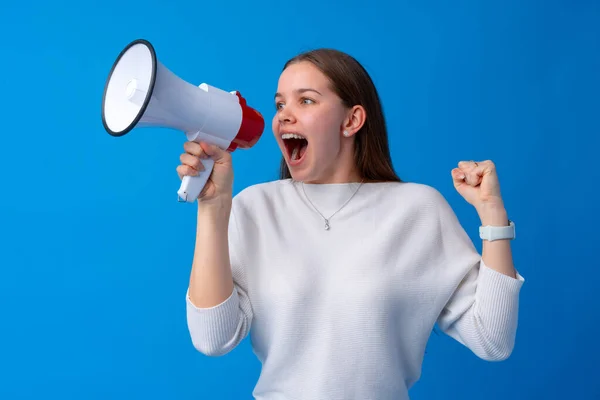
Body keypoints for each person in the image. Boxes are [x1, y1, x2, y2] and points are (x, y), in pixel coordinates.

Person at [177, 48, 525, 400]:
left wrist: (492, 213)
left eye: (306, 101)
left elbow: (492, 339)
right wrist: (213, 206)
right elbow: (212, 338)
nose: (284, 117)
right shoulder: (254, 207)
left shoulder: (418, 209)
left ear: (352, 120)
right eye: (280, 104)